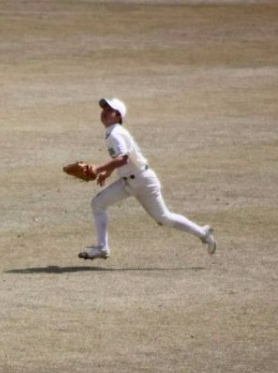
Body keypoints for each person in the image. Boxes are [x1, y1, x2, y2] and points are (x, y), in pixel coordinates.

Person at [78, 97, 216, 260]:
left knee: (163, 218)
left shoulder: (115, 133)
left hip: (143, 182)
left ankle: (203, 233)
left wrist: (98, 169)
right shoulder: (113, 131)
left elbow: (123, 159)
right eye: (104, 109)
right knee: (98, 203)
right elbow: (122, 157)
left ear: (118, 116)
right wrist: (107, 173)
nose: (105, 112)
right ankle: (102, 248)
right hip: (128, 182)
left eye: (110, 110)